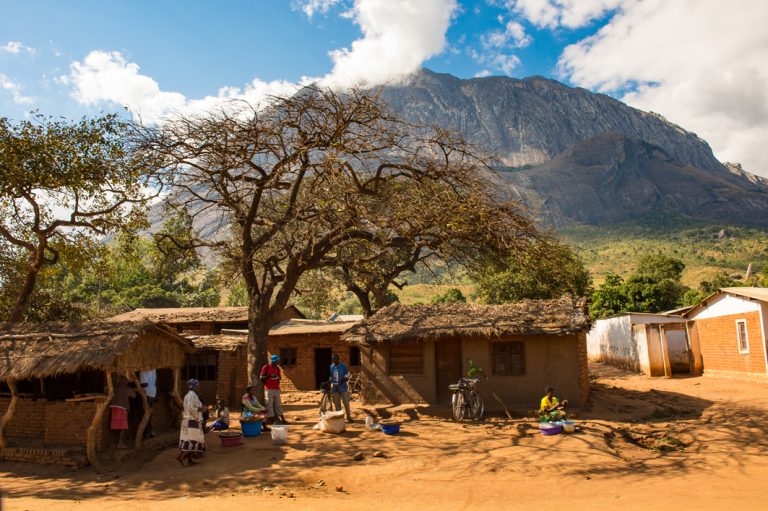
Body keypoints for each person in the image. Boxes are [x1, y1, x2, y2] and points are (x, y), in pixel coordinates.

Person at [177, 378, 205, 466]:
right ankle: (181, 457)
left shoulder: (191, 395)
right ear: (194, 387)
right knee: (192, 440)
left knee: (193, 441)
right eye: (197, 386)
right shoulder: (191, 396)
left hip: (190, 420)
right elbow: (190, 408)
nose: (199, 387)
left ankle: (189, 460)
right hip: (191, 420)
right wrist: (201, 409)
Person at [110, 376, 136, 449]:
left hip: (114, 408)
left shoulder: (115, 388)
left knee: (117, 424)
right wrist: (133, 390)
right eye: (126, 380)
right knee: (123, 426)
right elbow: (134, 396)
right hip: (122, 408)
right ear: (124, 382)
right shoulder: (126, 389)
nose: (127, 382)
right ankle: (120, 443)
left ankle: (116, 441)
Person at [260, 354, 286, 425]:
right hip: (268, 388)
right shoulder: (266, 367)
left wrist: (277, 377)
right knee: (269, 404)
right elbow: (261, 378)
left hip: (276, 388)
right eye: (277, 361)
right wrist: (269, 376)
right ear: (273, 361)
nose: (278, 362)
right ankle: (271, 419)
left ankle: (282, 419)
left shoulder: (277, 368)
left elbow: (279, 378)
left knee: (278, 404)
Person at [329, 354, 352, 422]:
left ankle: (349, 417)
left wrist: (341, 382)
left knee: (346, 403)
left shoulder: (343, 366)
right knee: (337, 404)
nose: (334, 360)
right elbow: (331, 377)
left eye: (335, 359)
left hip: (343, 388)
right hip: (335, 388)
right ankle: (340, 419)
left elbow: (347, 376)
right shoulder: (331, 367)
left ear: (338, 359)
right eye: (333, 359)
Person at [139, 369, 157, 439]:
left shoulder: (143, 370)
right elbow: (154, 381)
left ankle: (147, 432)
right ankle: (151, 431)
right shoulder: (153, 369)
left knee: (145, 413)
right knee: (149, 414)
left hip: (147, 393)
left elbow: (145, 384)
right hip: (153, 392)